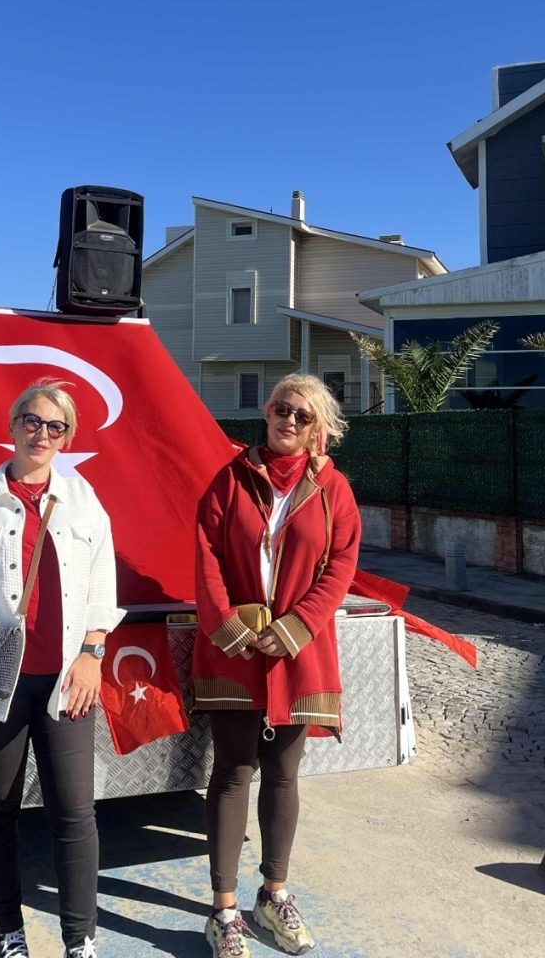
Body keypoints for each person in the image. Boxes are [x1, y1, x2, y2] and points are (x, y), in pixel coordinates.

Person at [0, 379, 124, 958]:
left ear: (68, 437)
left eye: (56, 426)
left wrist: (93, 653)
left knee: (74, 814)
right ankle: (8, 933)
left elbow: (103, 580)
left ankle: (80, 941)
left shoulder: (83, 498)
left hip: (65, 682)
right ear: (12, 426)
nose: (42, 434)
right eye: (32, 421)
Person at [193, 373, 361, 958]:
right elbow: (207, 556)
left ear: (318, 429)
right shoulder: (229, 480)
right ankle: (224, 910)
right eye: (281, 409)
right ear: (266, 413)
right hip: (236, 651)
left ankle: (274, 893)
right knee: (232, 773)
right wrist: (229, 627)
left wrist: (295, 627)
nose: (289, 420)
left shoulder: (333, 489)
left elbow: (340, 566)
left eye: (303, 415)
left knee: (284, 777)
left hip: (298, 651)